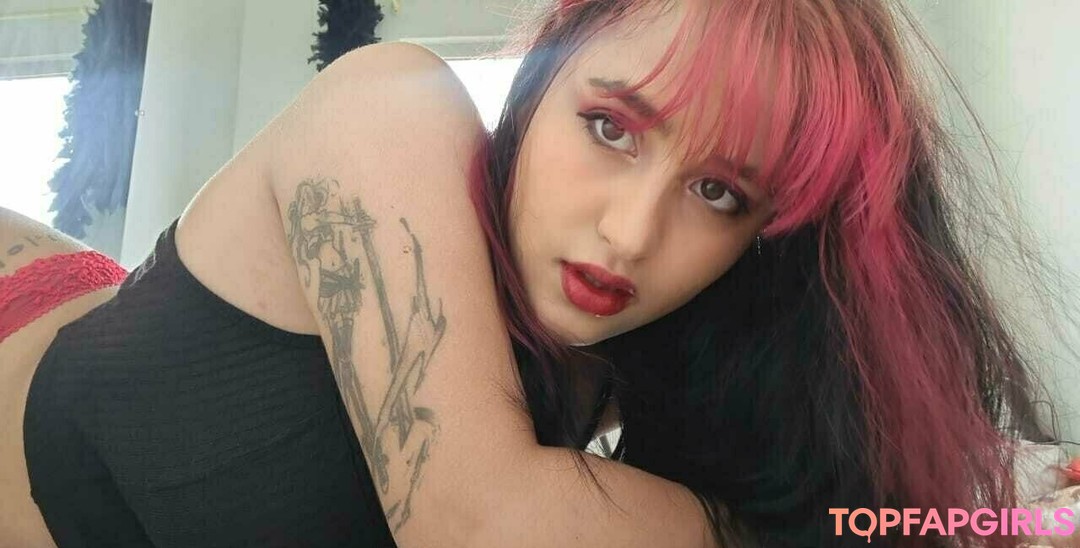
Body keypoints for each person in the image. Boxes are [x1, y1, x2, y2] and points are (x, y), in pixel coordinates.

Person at [3, 0, 1074, 546]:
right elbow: (481, 524)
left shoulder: (650, 363)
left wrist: (992, 510)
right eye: (610, 126)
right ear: (544, 72)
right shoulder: (390, 105)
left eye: (719, 192)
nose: (631, 232)